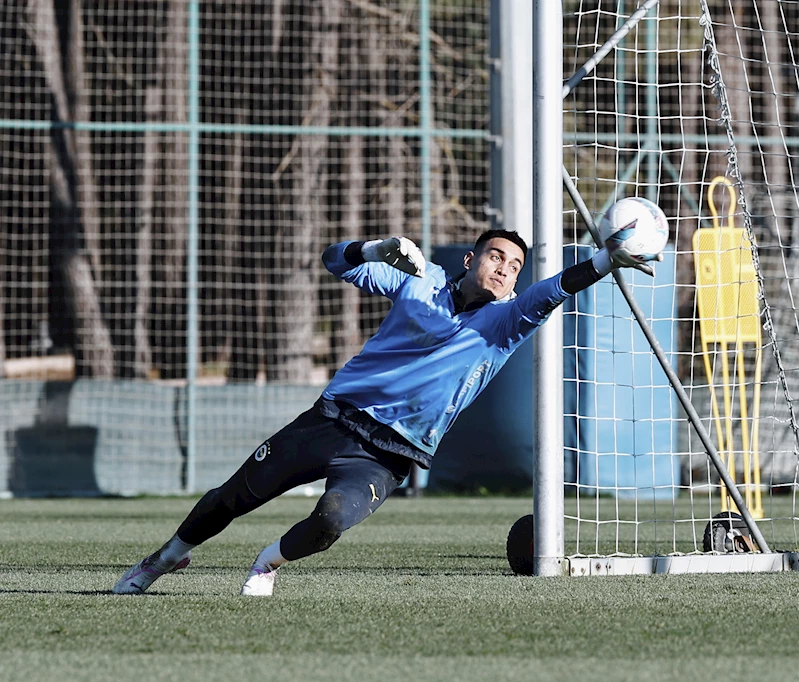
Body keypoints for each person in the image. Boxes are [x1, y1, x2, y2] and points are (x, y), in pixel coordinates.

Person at [112, 228, 659, 596]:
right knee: (231, 496)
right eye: (496, 257)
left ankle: (266, 564)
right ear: (469, 261)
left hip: (386, 456)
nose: (505, 270)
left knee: (328, 523)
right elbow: (332, 261)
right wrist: (371, 250)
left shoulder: (505, 324)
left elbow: (553, 289)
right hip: (330, 420)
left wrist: (606, 260)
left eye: (514, 266)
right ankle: (164, 559)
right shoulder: (416, 287)